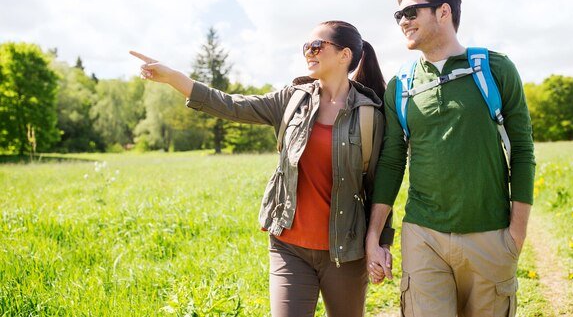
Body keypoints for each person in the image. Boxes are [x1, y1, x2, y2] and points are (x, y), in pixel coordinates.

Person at [130, 20, 394, 317]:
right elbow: (229, 104)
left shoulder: (371, 115)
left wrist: (381, 242)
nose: (309, 51)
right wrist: (173, 78)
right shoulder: (291, 100)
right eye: (306, 46)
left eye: (317, 46)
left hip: (345, 253)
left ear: (345, 55)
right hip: (289, 247)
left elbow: (379, 187)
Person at [365, 0, 535, 317]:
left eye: (412, 12)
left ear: (444, 12)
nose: (404, 22)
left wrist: (516, 234)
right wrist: (374, 236)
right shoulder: (400, 85)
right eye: (398, 16)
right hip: (423, 234)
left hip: (490, 235)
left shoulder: (495, 69)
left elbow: (523, 151)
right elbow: (392, 161)